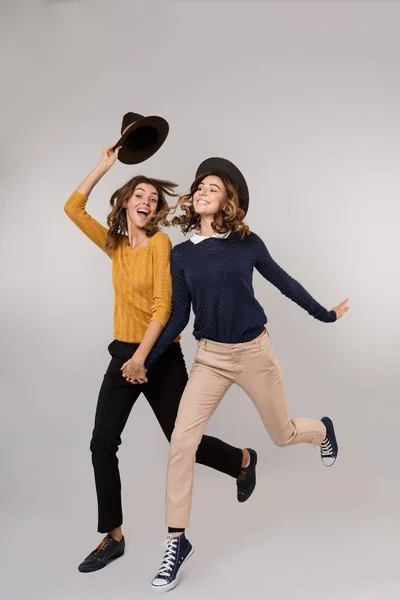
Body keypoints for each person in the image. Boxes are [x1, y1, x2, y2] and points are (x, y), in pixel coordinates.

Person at [143, 157, 350, 592]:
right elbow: (179, 316)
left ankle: (322, 431)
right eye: (200, 185)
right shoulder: (181, 256)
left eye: (213, 187)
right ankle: (176, 541)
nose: (202, 191)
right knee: (181, 442)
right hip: (210, 359)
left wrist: (326, 314)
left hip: (255, 353)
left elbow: (283, 282)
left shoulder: (246, 243)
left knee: (283, 433)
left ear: (227, 201)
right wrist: (146, 358)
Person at [64, 148, 256, 574]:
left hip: (160, 357)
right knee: (102, 444)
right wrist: (104, 165)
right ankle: (112, 536)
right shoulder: (115, 245)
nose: (147, 202)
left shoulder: (160, 243)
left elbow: (162, 306)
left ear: (156, 211)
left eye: (153, 199)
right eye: (140, 195)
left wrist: (141, 359)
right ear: (125, 202)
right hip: (124, 354)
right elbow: (73, 207)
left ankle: (242, 460)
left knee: (180, 439)